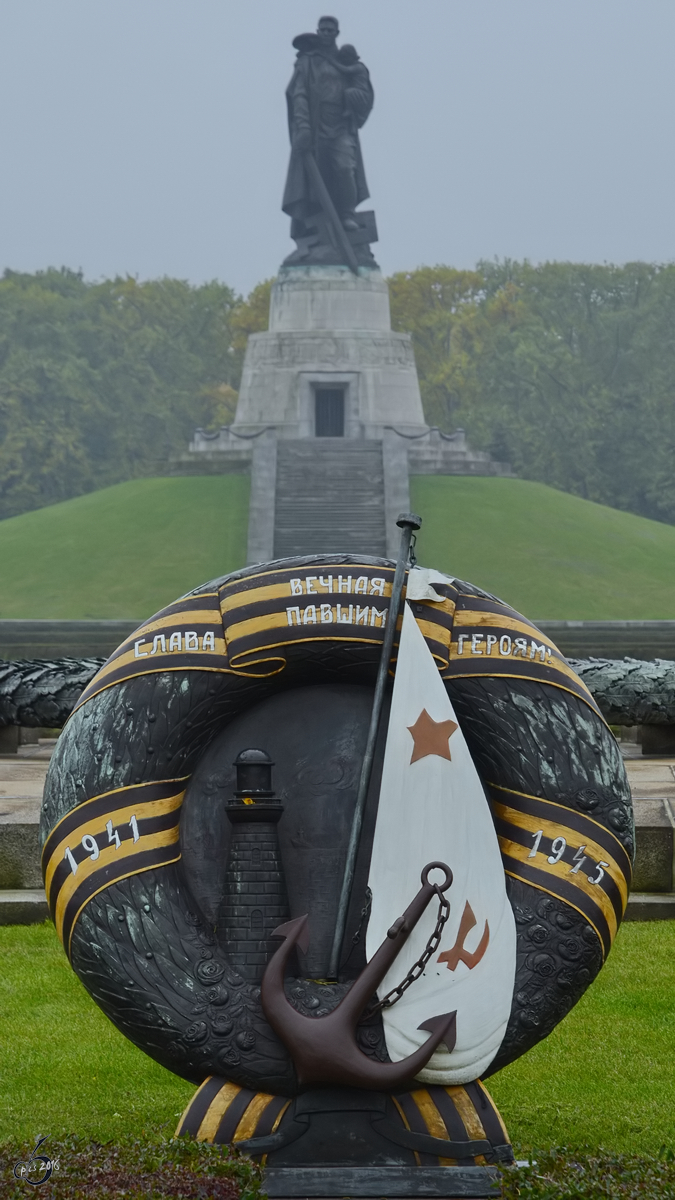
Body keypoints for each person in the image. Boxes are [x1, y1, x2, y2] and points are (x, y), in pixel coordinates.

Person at [282, 16, 374, 236]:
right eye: (322, 30)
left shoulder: (347, 61)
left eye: (330, 30)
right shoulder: (307, 61)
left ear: (337, 33)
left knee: (344, 168)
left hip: (341, 126)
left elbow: (365, 93)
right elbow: (298, 93)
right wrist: (302, 126)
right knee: (316, 179)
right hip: (314, 126)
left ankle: (347, 215)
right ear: (317, 31)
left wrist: (355, 100)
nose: (325, 33)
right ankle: (316, 226)